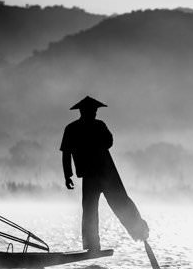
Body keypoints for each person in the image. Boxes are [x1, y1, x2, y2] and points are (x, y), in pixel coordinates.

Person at [60, 96, 149, 251]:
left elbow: (108, 142)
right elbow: (66, 154)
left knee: (118, 203)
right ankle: (93, 245)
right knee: (91, 210)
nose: (94, 113)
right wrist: (67, 175)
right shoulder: (76, 128)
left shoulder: (84, 127)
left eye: (95, 111)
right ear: (83, 111)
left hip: (106, 174)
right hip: (94, 175)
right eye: (92, 110)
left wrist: (68, 175)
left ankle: (140, 232)